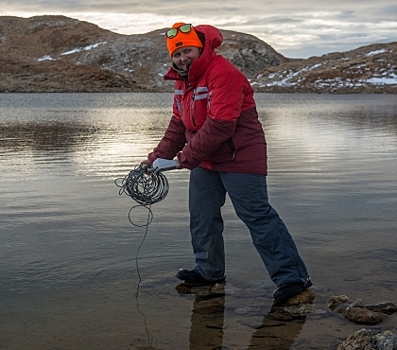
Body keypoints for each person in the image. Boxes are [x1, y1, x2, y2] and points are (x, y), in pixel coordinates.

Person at [142, 22, 312, 303]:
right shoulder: (182, 83)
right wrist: (155, 158)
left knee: (257, 216)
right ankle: (209, 271)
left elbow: (221, 125)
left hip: (240, 156)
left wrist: (183, 160)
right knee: (202, 216)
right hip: (205, 161)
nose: (182, 58)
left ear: (201, 47)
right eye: (176, 54)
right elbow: (177, 125)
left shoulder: (224, 73)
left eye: (187, 51)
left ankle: (293, 277)